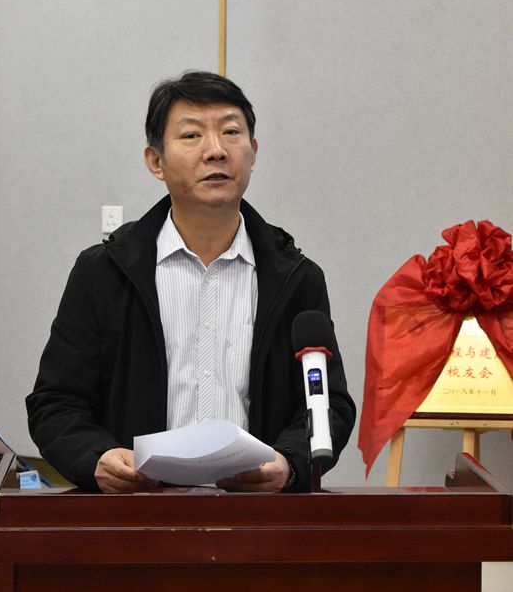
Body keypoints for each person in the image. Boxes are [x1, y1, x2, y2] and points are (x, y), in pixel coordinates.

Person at [27, 71, 355, 492]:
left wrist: (288, 462)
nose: (215, 150)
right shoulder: (103, 273)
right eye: (191, 135)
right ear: (156, 161)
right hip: (137, 513)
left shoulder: (296, 278)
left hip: (257, 516)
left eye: (231, 132)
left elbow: (328, 406)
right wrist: (97, 458)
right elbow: (56, 404)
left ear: (253, 152)